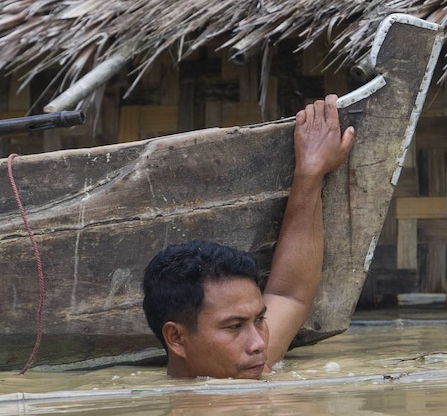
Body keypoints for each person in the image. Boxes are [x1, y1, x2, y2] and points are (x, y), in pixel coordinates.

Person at [142, 95, 355, 379]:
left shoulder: (254, 366)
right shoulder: (172, 405)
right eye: (234, 326)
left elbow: (289, 294)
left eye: (260, 320)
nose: (259, 344)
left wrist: (311, 170)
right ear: (177, 339)